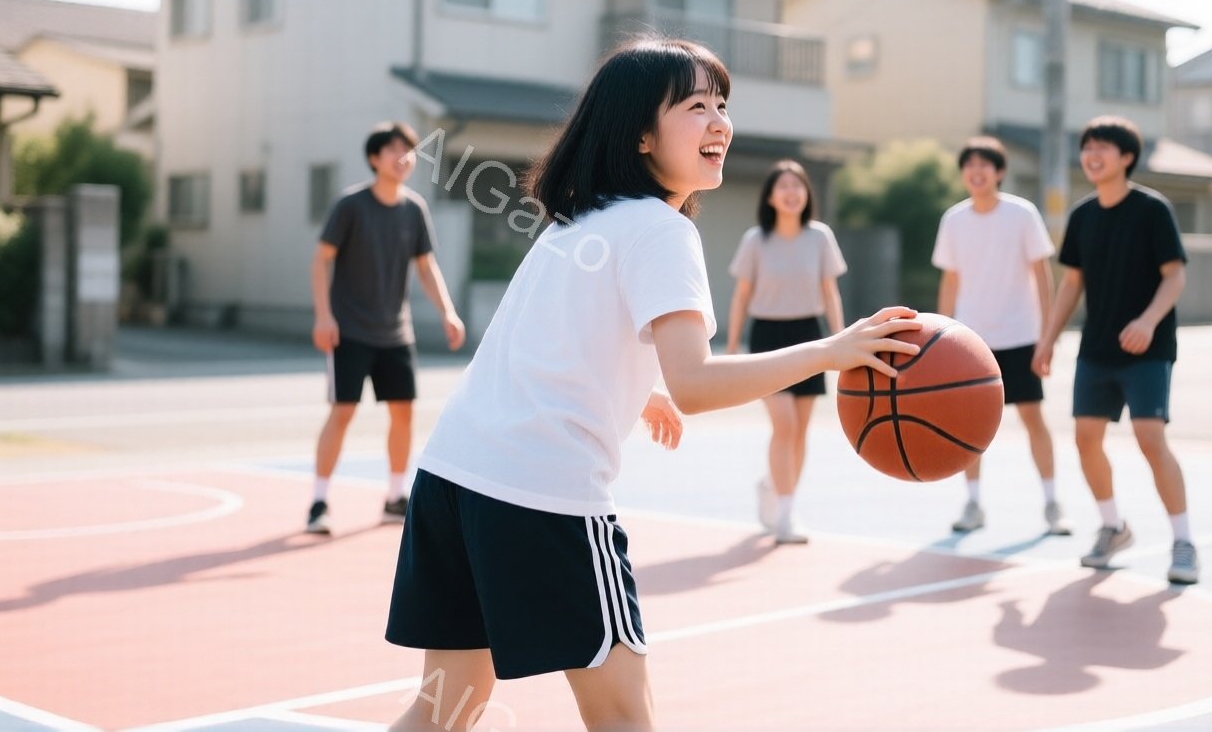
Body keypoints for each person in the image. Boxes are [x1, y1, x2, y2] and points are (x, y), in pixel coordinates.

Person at [385, 38, 921, 731]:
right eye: (697, 107)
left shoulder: (575, 223)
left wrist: (643, 391)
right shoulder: (661, 232)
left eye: (722, 105)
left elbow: (553, 345)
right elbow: (696, 383)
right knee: (623, 721)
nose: (720, 122)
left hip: (452, 479)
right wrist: (831, 349)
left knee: (443, 709)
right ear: (641, 133)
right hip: (542, 494)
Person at [1032, 116, 1198, 585]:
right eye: (1087, 148)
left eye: (1102, 147)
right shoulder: (1083, 215)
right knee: (1085, 439)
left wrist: (1147, 321)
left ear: (1127, 157)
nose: (1092, 155)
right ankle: (1112, 527)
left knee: (1150, 438)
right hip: (1097, 347)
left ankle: (1183, 541)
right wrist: (1047, 339)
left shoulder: (1152, 210)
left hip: (1148, 347)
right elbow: (1071, 284)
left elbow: (1174, 276)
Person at [307, 121, 466, 536]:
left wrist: (447, 311)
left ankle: (396, 497)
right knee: (343, 411)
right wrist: (324, 315)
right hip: (349, 330)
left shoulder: (414, 209)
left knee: (404, 412)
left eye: (409, 151)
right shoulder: (350, 206)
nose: (403, 158)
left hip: (396, 332)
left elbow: (426, 267)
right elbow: (321, 260)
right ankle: (319, 502)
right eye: (394, 150)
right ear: (375, 158)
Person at [931, 136, 1068, 537]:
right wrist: (939, 335)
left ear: (999, 171)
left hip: (1021, 335)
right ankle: (973, 504)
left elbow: (1042, 276)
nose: (976, 171)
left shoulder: (1022, 214)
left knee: (1032, 417)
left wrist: (1047, 335)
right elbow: (950, 280)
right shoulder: (953, 220)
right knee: (968, 427)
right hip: (970, 341)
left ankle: (1052, 503)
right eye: (969, 165)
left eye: (984, 165)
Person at [727, 160, 848, 545]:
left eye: (798, 185)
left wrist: (841, 342)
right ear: (771, 196)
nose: (792, 192)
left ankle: (776, 490)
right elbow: (741, 296)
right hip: (767, 335)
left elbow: (830, 292)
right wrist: (732, 347)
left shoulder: (820, 237)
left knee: (801, 431)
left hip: (809, 335)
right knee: (786, 425)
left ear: (807, 193)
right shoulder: (754, 240)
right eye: (783, 186)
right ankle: (786, 515)